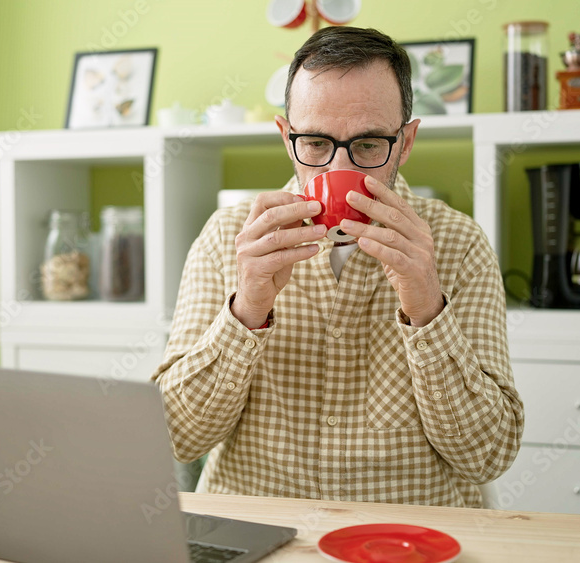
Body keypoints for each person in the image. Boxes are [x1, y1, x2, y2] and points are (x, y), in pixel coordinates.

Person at [151, 26, 523, 507]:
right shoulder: (228, 238)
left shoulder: (458, 244)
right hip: (259, 530)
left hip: (409, 540)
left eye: (368, 145)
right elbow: (175, 440)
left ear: (405, 142)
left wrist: (429, 308)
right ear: (287, 138)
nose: (335, 171)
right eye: (315, 143)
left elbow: (488, 456)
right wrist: (246, 312)